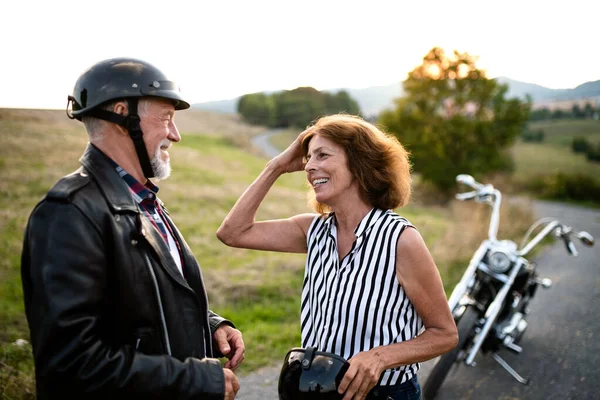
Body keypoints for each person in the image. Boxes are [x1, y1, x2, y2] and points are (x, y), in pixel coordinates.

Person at [21, 57, 244, 399]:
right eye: (167, 118)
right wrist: (196, 380)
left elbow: (136, 302)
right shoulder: (69, 213)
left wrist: (209, 325)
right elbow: (71, 364)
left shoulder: (142, 200)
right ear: (124, 116)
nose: (175, 134)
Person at [217, 114, 458, 400]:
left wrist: (380, 357)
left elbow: (444, 334)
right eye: (307, 157)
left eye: (322, 155)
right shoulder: (312, 230)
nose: (309, 166)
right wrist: (277, 166)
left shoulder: (400, 239)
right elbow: (232, 233)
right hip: (316, 389)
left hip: (384, 394)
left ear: (358, 163)